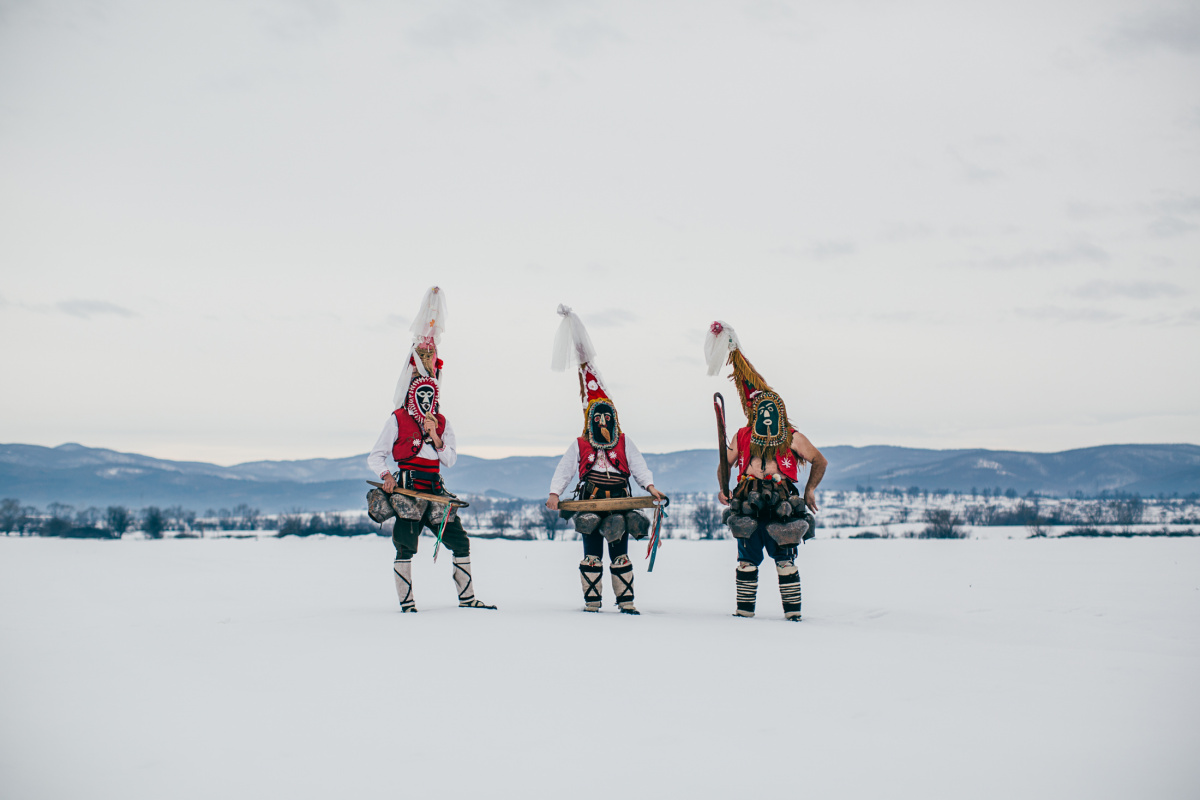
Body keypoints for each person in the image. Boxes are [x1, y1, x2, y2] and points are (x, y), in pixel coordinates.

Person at [365, 286, 495, 613]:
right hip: (408, 489)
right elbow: (375, 455)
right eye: (420, 395)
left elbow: (450, 459)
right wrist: (385, 476)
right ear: (413, 393)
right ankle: (407, 604)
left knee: (460, 541)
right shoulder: (397, 419)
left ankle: (467, 599)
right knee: (405, 545)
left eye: (430, 396)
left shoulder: (442, 421)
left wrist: (436, 438)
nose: (425, 401)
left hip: (436, 490)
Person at [704, 321, 827, 621]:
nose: (766, 415)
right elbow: (727, 463)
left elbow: (819, 460)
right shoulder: (743, 436)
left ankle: (793, 616)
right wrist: (724, 485)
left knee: (786, 561)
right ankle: (744, 615)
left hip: (782, 503)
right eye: (760, 411)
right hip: (748, 501)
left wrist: (809, 489)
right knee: (747, 562)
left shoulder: (792, 436)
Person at [546, 305, 665, 614]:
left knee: (620, 553)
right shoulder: (581, 444)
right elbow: (565, 469)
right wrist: (555, 492)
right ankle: (592, 602)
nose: (601, 422)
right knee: (592, 554)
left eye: (606, 417)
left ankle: (626, 603)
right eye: (596, 417)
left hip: (619, 500)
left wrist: (651, 488)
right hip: (590, 500)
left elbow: (639, 467)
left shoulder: (624, 442)